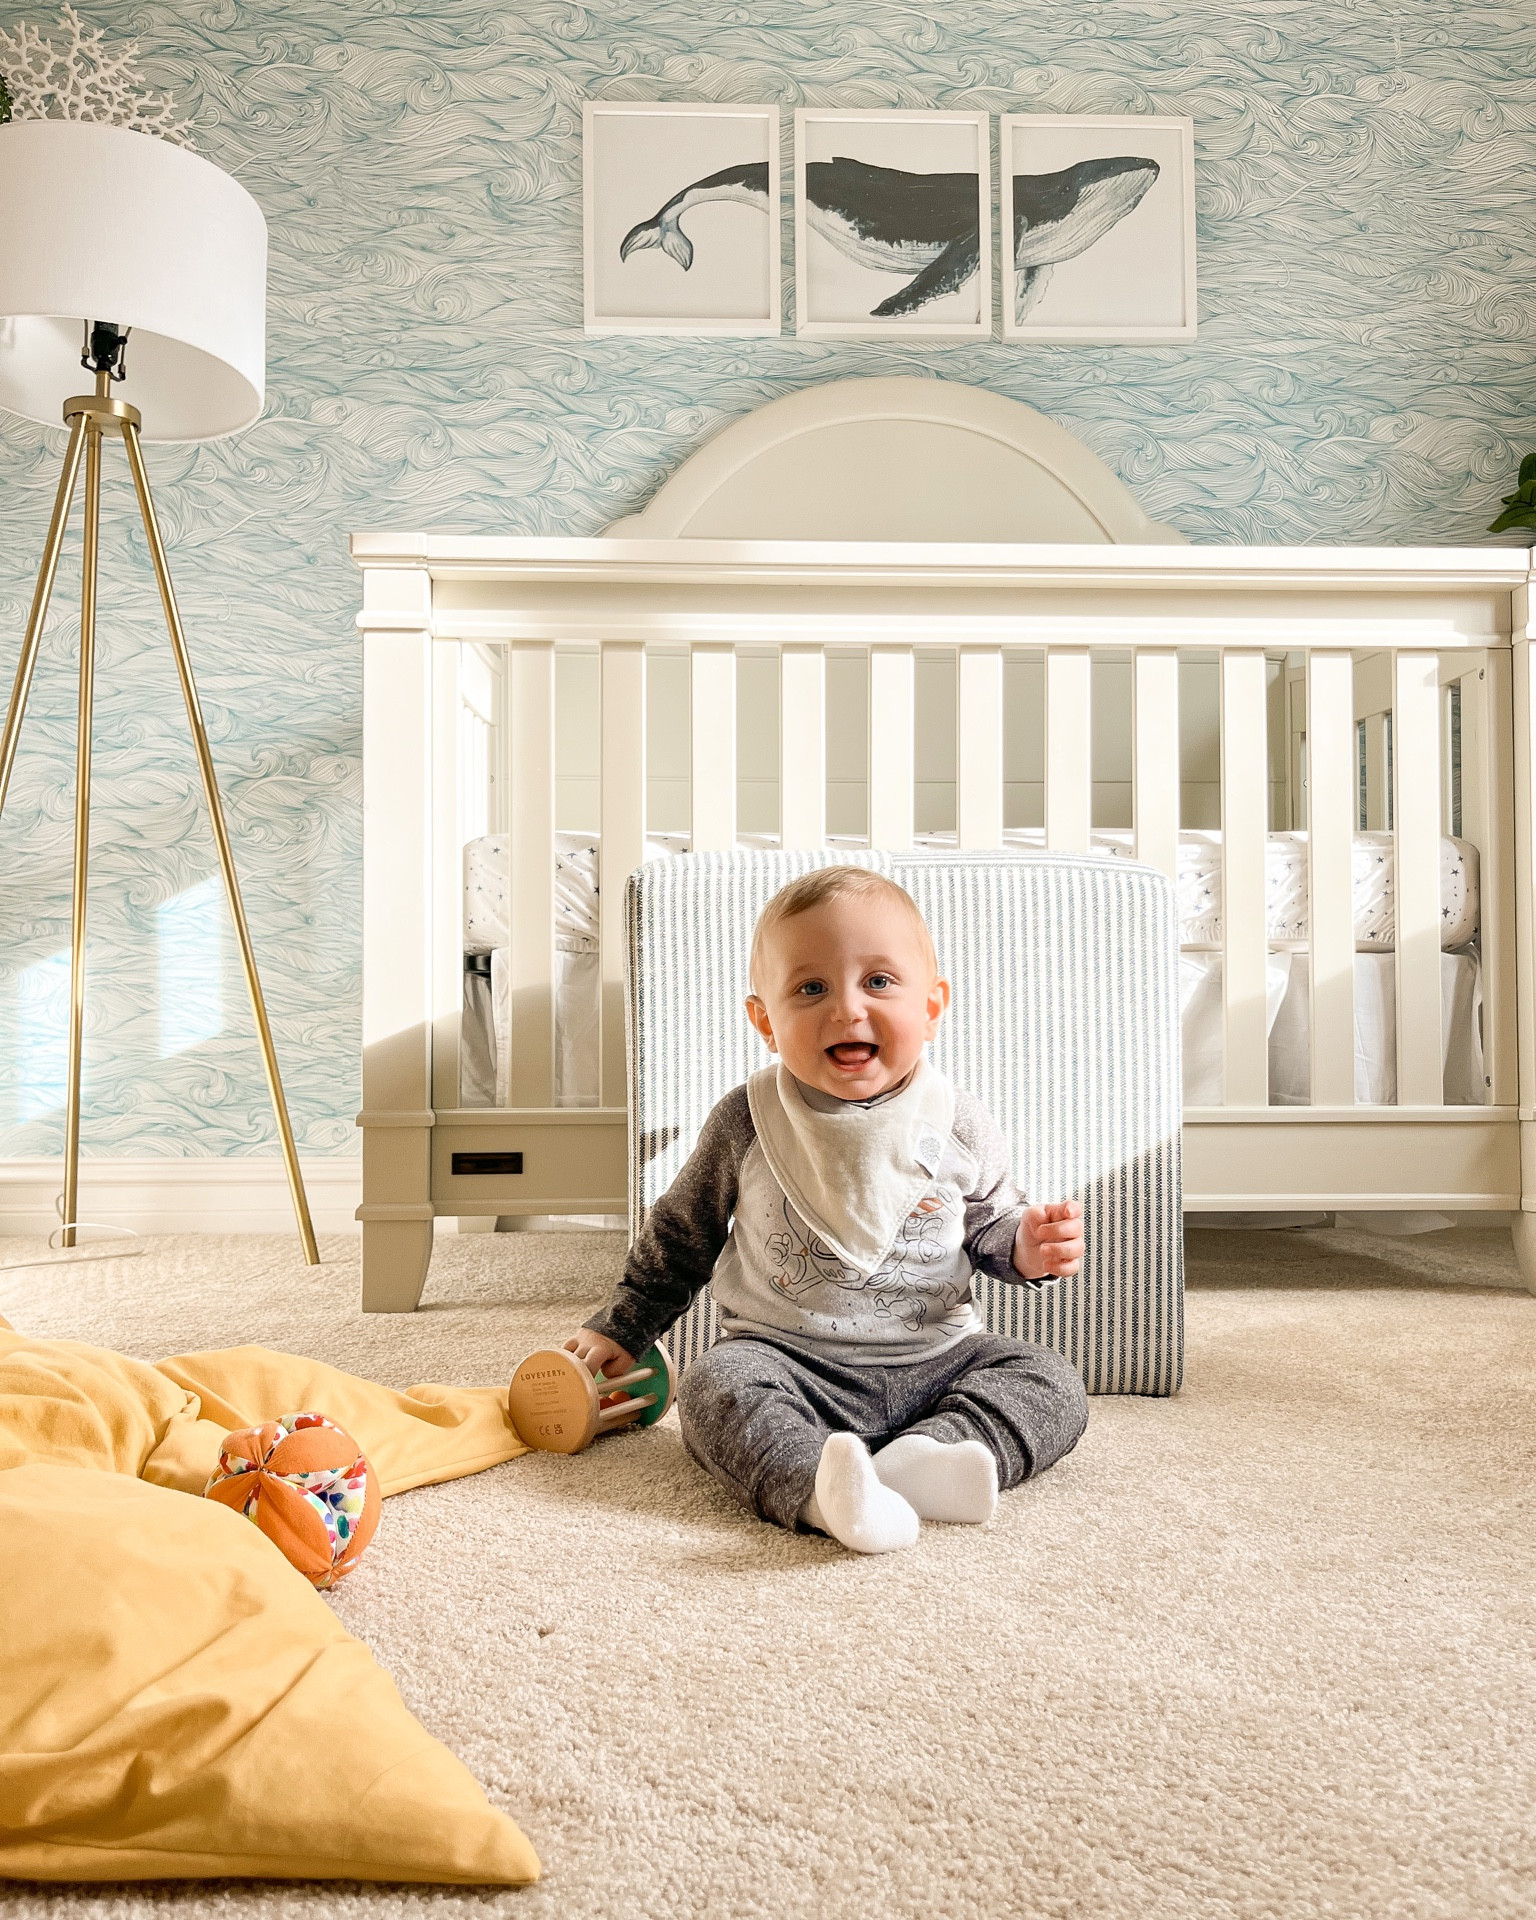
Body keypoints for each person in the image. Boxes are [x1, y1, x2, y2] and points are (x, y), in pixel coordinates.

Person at [564, 866, 1089, 1554]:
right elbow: (681, 1233)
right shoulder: (748, 1120)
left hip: (935, 1360)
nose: (847, 1009)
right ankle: (821, 1490)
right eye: (811, 988)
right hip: (787, 1362)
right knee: (713, 1386)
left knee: (1051, 1382)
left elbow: (988, 1225)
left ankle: (926, 1459)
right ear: (765, 1021)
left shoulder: (956, 1120)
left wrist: (1026, 1245)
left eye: (879, 981)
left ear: (932, 1006)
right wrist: (623, 1326)